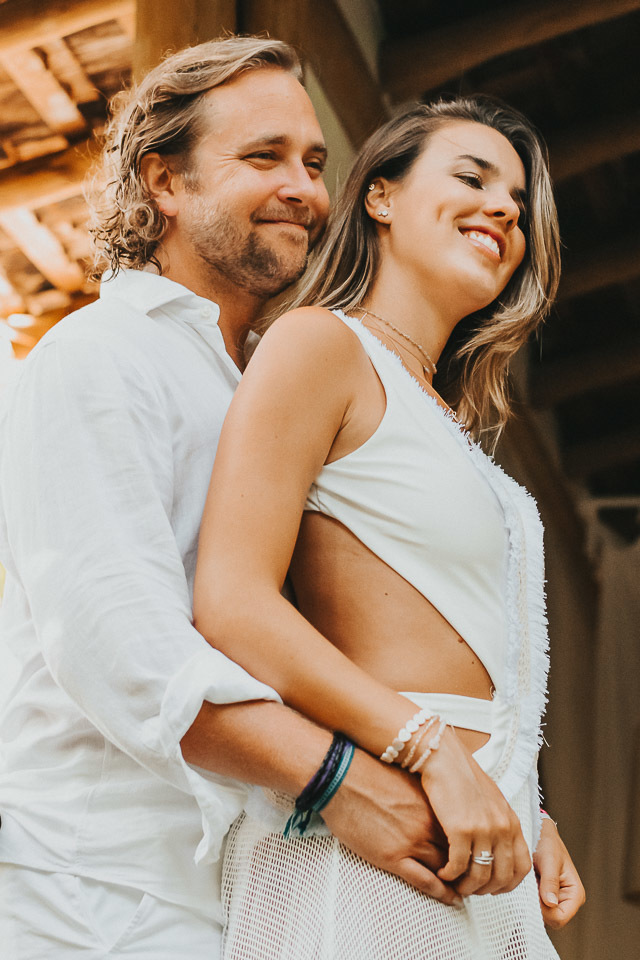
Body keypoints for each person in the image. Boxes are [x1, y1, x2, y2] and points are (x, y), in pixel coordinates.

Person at [0, 37, 460, 960]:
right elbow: (116, 639)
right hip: (94, 891)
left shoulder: (262, 393)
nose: (305, 188)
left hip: (241, 893)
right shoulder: (98, 356)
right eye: (264, 157)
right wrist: (340, 781)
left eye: (315, 162)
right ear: (164, 183)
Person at [192, 96, 586, 958]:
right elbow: (230, 602)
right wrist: (435, 751)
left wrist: (520, 797)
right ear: (380, 197)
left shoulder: (448, 420)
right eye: (473, 177)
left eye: (516, 200)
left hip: (478, 838)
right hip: (372, 838)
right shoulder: (320, 346)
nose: (505, 209)